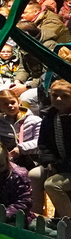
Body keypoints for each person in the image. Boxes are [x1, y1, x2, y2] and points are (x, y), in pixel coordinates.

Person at [31, 78, 71, 217]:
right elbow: (43, 144)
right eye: (55, 95)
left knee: (52, 185)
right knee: (34, 175)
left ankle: (67, 221)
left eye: (65, 96)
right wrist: (48, 162)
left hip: (65, 166)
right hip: (58, 165)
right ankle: (37, 215)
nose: (59, 99)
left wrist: (57, 166)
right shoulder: (49, 116)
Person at [0, 84, 42, 169]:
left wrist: (20, 149)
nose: (10, 106)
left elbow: (40, 142)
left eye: (13, 102)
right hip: (5, 162)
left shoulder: (35, 121)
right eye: (5, 104)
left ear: (19, 102)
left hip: (34, 161)